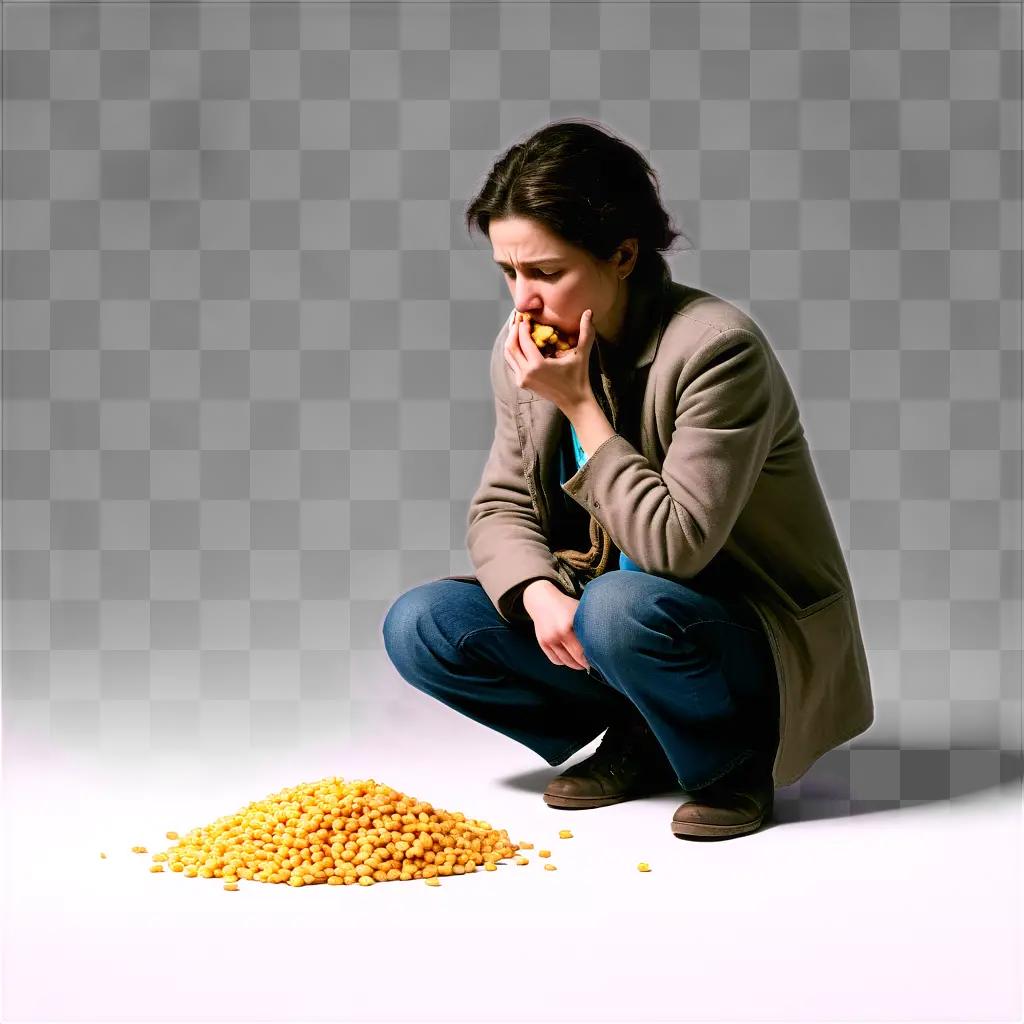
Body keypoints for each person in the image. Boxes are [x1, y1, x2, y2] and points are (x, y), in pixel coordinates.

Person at [382, 119, 873, 841]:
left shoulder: (715, 350)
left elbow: (676, 548)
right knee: (423, 625)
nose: (523, 300)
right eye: (509, 272)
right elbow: (501, 506)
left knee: (617, 607)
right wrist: (537, 593)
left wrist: (579, 405)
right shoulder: (527, 348)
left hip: (740, 634)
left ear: (622, 255)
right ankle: (642, 734)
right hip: (615, 621)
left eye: (546, 272)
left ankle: (729, 763)